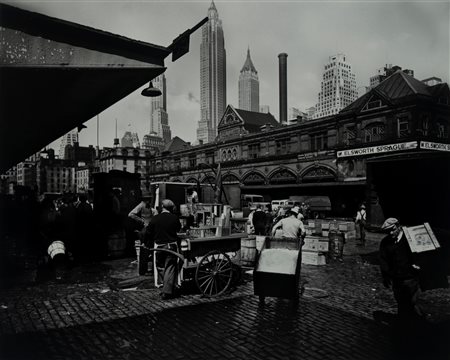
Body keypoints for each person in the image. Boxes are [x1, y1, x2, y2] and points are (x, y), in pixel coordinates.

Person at [379, 217, 423, 324]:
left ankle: (413, 324)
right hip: (396, 278)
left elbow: (422, 252)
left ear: (399, 226)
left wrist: (418, 264)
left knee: (410, 302)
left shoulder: (410, 238)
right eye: (388, 231)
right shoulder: (385, 242)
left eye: (393, 229)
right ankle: (406, 324)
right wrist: (386, 276)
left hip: (410, 277)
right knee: (400, 300)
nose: (390, 232)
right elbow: (383, 260)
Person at [146, 199, 181, 300]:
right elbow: (178, 229)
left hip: (159, 247)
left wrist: (147, 243)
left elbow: (148, 232)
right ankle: (167, 290)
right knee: (170, 268)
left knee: (161, 267)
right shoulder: (174, 218)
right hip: (171, 246)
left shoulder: (155, 218)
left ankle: (166, 289)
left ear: (162, 206)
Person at [128, 192, 158, 275]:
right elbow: (131, 214)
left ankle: (150, 270)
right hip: (144, 231)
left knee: (150, 250)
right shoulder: (141, 205)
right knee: (144, 249)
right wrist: (141, 221)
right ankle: (143, 271)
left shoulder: (149, 206)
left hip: (149, 230)